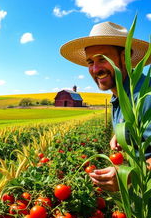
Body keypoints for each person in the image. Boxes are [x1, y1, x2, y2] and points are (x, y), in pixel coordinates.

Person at [60, 21, 151, 192]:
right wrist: (121, 134)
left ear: (125, 58)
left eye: (103, 58)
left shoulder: (146, 97)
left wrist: (130, 175)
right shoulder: (118, 97)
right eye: (90, 62)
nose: (95, 69)